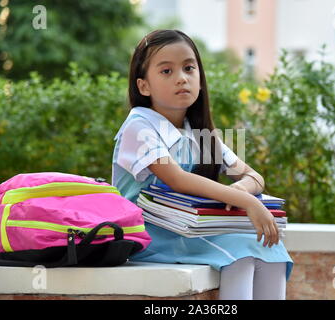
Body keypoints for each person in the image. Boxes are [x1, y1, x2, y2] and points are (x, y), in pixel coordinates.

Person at [112, 29, 293, 300]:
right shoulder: (139, 126)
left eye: (188, 68)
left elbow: (252, 175)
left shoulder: (199, 133)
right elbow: (177, 180)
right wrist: (249, 203)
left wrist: (242, 191)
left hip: (187, 228)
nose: (182, 78)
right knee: (241, 256)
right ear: (143, 86)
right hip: (147, 234)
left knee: (273, 250)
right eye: (166, 71)